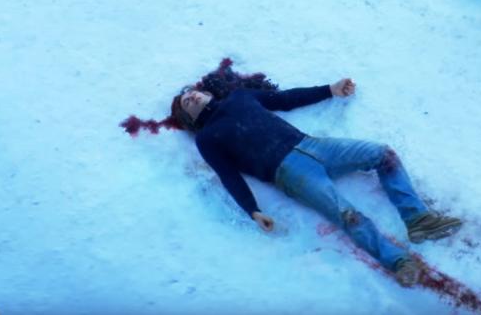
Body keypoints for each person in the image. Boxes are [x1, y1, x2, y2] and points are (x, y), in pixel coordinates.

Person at [169, 65, 462, 288]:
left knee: (382, 153)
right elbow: (228, 176)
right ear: (190, 119)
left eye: (191, 92)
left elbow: (285, 99)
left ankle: (418, 220)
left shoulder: (240, 98)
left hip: (313, 145)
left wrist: (330, 89)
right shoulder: (207, 138)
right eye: (186, 103)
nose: (190, 97)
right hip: (289, 174)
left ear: (206, 91)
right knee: (347, 215)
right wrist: (253, 210)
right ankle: (398, 262)